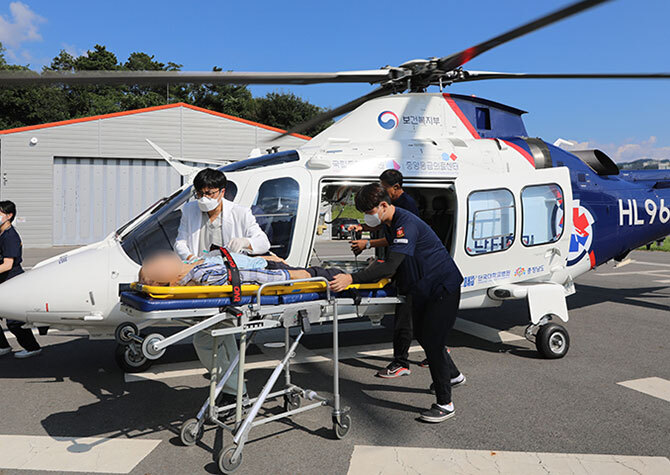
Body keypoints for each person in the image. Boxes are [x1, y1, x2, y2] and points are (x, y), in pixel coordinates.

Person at [330, 183, 465, 423]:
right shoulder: (391, 222)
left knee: (433, 342)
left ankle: (445, 403)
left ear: (384, 205)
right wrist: (369, 245)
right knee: (424, 336)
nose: (367, 217)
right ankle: (452, 375)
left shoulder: (406, 223)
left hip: (442, 286)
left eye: (369, 212)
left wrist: (351, 278)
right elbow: (390, 243)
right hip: (423, 286)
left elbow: (392, 264)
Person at [174, 168, 271, 403]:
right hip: (205, 281)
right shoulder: (190, 209)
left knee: (211, 339)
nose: (204, 199)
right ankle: (234, 392)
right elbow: (181, 241)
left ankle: (233, 392)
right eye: (199, 194)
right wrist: (188, 257)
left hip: (231, 281)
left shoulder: (240, 212)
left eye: (209, 193)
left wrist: (245, 241)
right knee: (218, 339)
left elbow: (263, 241)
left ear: (222, 192)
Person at [349, 169, 422, 378]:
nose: (382, 191)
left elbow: (396, 241)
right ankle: (439, 355)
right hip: (407, 264)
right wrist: (363, 228)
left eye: (384, 188)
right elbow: (385, 229)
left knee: (405, 318)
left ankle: (401, 362)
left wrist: (354, 277)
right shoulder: (392, 210)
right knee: (420, 319)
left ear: (396, 188)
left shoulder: (406, 210)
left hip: (412, 268)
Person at [0, 201, 42, 358]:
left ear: (9, 216)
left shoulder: (10, 237)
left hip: (12, 281)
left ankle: (32, 348)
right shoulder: (1, 233)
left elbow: (7, 264)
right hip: (2, 280)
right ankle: (3, 346)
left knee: (14, 322)